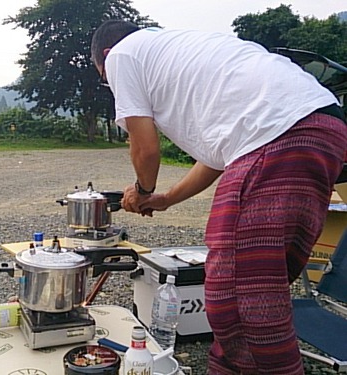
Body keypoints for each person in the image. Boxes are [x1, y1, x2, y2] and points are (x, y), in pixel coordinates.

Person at [91, 20, 347, 375]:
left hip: (279, 136)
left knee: (240, 301)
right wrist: (164, 199)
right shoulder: (186, 51)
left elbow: (145, 148)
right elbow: (215, 159)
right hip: (321, 129)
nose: (112, 85)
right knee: (255, 286)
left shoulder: (122, 54)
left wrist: (143, 190)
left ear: (105, 57)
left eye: (105, 80)